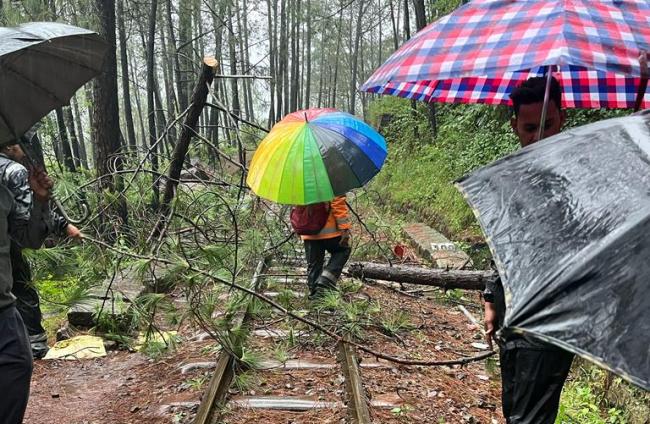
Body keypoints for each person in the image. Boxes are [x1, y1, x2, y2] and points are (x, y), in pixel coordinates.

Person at [483, 76, 574, 424]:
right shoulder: (509, 176)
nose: (539, 136)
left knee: (529, 418)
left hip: (552, 314)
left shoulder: (579, 174)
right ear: (514, 126)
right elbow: (501, 241)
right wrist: (491, 298)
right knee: (515, 410)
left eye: (548, 125)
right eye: (529, 128)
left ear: (561, 119)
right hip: (512, 312)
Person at [0, 137, 81, 359]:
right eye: (17, 144)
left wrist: (42, 201)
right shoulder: (14, 171)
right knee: (23, 291)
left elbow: (25, 229)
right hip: (9, 259)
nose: (23, 150)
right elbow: (26, 233)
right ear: (7, 145)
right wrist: (41, 203)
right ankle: (35, 345)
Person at [0, 151, 54, 423]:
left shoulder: (3, 183)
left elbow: (28, 239)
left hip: (4, 311)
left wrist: (40, 201)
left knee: (19, 366)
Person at [300, 195, 352, 299]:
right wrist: (344, 228)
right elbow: (337, 202)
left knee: (314, 265)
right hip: (329, 230)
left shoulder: (298, 181)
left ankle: (315, 297)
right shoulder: (331, 179)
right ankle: (326, 281)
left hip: (308, 231)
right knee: (343, 251)